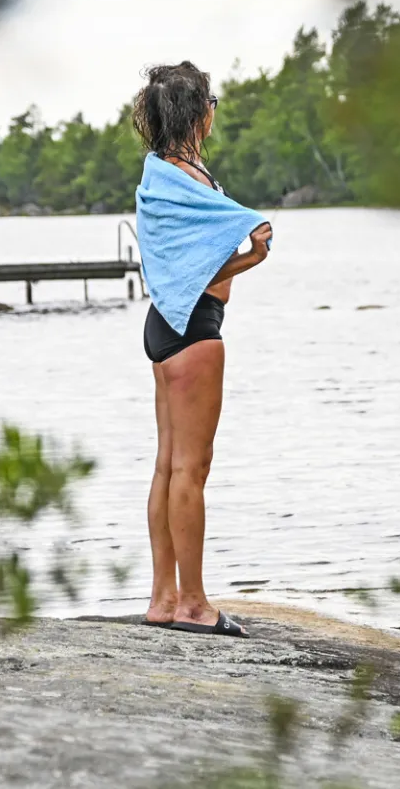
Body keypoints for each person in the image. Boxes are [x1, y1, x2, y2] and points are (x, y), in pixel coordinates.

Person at [131, 62, 273, 638]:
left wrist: (245, 258)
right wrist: (254, 246)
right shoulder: (190, 181)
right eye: (210, 102)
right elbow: (206, 272)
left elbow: (194, 265)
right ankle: (192, 602)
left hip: (164, 326)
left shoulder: (160, 175)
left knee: (168, 466)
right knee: (192, 469)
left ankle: (163, 597)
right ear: (200, 114)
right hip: (194, 331)